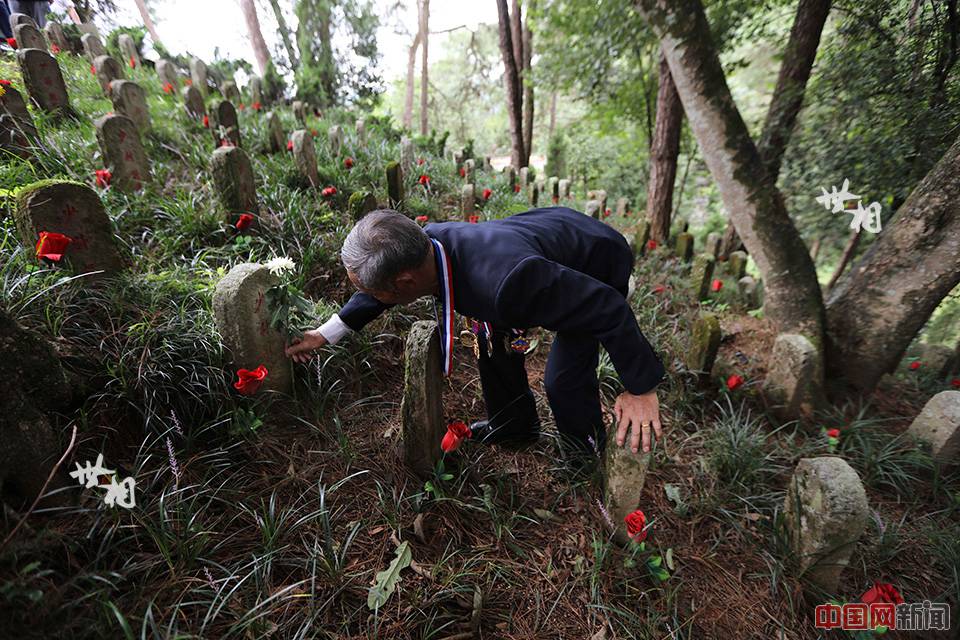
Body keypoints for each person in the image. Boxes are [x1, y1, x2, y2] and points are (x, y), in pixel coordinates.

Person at [285, 206, 666, 472]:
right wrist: (324, 334)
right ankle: (514, 426)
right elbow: (375, 290)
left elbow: (605, 307)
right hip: (545, 235)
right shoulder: (422, 244)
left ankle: (584, 456)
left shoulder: (506, 283)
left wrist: (641, 387)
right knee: (491, 341)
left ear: (404, 283)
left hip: (594, 262)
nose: (370, 296)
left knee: (563, 379)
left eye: (372, 290)